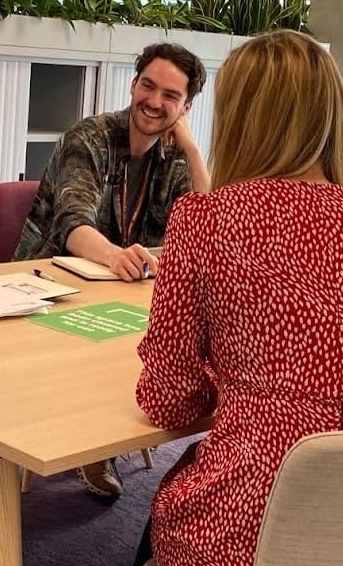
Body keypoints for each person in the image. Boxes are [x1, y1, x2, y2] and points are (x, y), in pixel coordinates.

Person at [111, 30, 343, 566]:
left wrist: (227, 370)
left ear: (242, 117)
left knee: (175, 496)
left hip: (255, 537)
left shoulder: (206, 219)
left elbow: (169, 402)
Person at [12, 42, 210, 500]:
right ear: (133, 83)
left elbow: (206, 223)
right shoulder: (91, 137)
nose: (154, 102)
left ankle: (100, 443)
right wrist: (114, 255)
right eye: (148, 85)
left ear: (185, 108)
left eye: (170, 96)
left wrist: (194, 151)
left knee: (170, 339)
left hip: (123, 290)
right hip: (48, 285)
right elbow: (72, 223)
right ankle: (90, 445)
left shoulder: (174, 154)